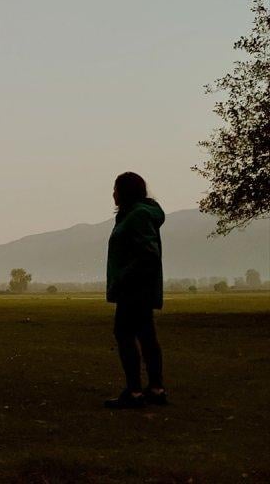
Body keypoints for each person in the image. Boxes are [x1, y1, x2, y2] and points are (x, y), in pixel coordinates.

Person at [104, 172, 167, 409]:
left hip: (133, 289)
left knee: (124, 334)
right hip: (139, 287)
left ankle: (134, 391)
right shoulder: (135, 214)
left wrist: (124, 277)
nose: (113, 194)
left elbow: (148, 253)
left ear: (125, 191)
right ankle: (155, 388)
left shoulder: (138, 216)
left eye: (116, 188)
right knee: (146, 336)